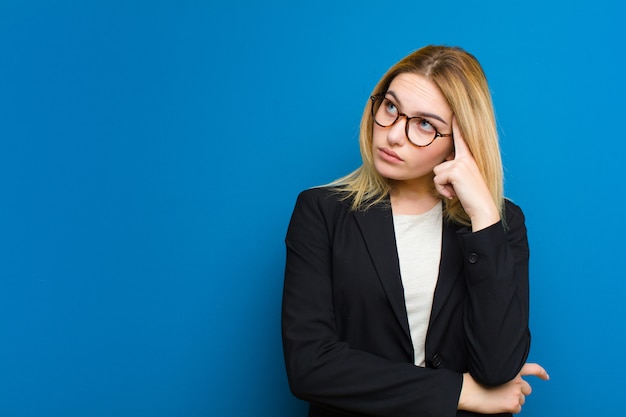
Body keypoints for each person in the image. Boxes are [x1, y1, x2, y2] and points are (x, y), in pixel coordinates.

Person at [281, 45, 548, 417]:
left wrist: (484, 215)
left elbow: (498, 367)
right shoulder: (322, 212)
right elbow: (310, 366)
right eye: (390, 107)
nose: (393, 135)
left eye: (425, 124)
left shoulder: (500, 223)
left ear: (458, 142)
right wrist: (460, 392)